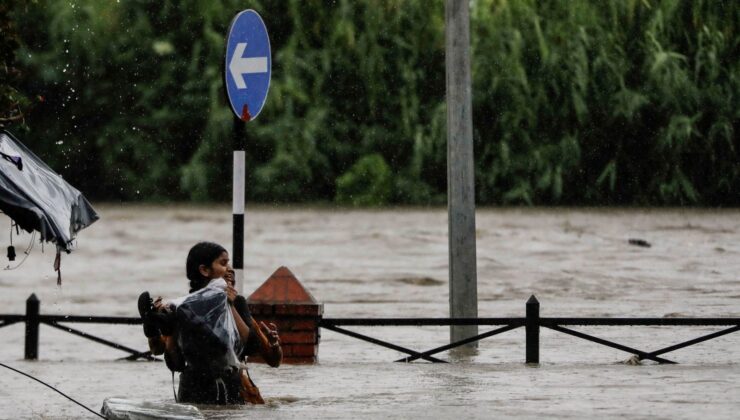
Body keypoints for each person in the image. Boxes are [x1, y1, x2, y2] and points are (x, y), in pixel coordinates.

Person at [138, 242, 282, 404]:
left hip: (226, 390)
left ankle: (158, 323)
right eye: (223, 264)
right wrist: (168, 330)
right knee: (171, 321)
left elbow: (260, 350)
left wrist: (230, 306)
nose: (228, 271)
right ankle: (157, 323)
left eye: (231, 275)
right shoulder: (184, 308)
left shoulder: (236, 304)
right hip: (198, 392)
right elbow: (175, 362)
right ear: (204, 271)